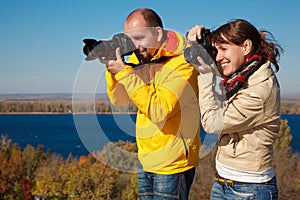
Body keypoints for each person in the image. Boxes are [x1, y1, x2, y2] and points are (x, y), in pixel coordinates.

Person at [104, 8, 200, 199]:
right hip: (146, 160)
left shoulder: (183, 61)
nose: (135, 46)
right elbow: (120, 99)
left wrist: (125, 73)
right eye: (130, 40)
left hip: (172, 164)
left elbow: (159, 111)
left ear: (157, 33)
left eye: (140, 38)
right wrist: (112, 69)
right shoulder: (139, 57)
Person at [187, 19, 283, 199]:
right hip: (223, 181)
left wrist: (205, 74)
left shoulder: (261, 89)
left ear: (246, 46)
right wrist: (198, 44)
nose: (218, 57)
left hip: (250, 189)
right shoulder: (242, 77)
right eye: (217, 50)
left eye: (224, 49)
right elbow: (218, 74)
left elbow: (213, 123)